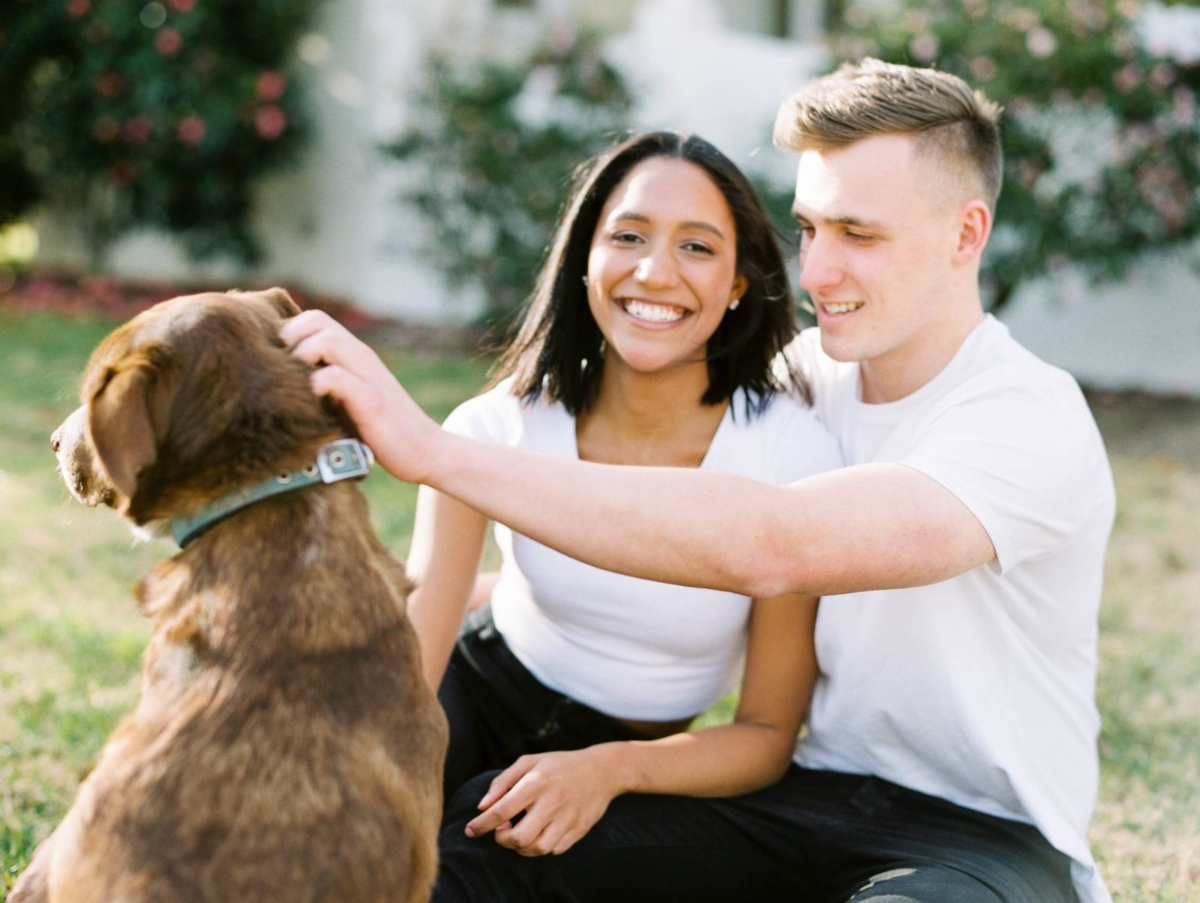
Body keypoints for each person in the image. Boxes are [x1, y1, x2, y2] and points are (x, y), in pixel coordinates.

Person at [283, 59, 1116, 903]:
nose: (819, 273)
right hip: (798, 799)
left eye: (859, 235)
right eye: (811, 228)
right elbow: (657, 476)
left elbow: (775, 542)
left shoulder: (1026, 418)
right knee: (491, 849)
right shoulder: (809, 377)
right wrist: (506, 578)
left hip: (981, 834)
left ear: (966, 234)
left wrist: (438, 454)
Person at [404, 131, 842, 846]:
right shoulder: (496, 425)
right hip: (474, 685)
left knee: (469, 860)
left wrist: (609, 769)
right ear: (585, 258)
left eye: (697, 247)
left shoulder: (791, 455)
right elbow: (413, 664)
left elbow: (764, 737)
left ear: (737, 282)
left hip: (634, 757)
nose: (654, 271)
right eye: (628, 235)